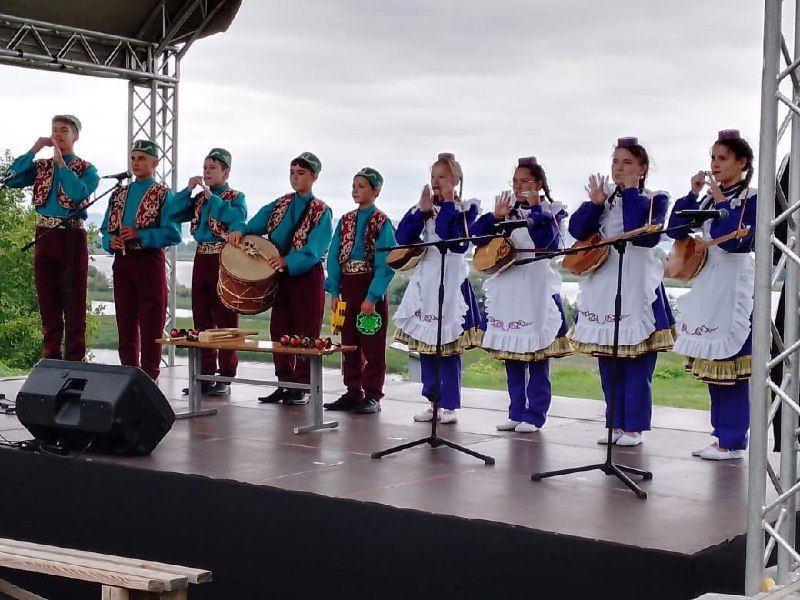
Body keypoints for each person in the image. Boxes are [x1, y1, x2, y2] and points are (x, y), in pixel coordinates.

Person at [569, 137, 674, 446]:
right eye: (615, 162)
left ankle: (634, 427)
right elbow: (577, 231)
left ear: (642, 168)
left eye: (627, 162)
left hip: (637, 283)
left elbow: (642, 236)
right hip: (604, 284)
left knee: (637, 360)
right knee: (608, 358)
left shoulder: (656, 198)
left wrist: (629, 191)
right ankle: (614, 423)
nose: (619, 168)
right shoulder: (604, 200)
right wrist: (595, 204)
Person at [667, 129, 756, 460]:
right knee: (714, 363)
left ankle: (733, 440)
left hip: (733, 283)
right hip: (708, 282)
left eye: (722, 158)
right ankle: (721, 435)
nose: (715, 165)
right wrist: (692, 195)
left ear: (741, 162)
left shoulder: (752, 198)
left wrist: (719, 199)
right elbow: (676, 230)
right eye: (712, 159)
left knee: (730, 365)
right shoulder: (705, 199)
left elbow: (736, 240)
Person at [471, 157, 571, 432]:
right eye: (515, 181)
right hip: (508, 286)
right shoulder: (507, 212)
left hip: (535, 284)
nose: (518, 187)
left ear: (538, 184)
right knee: (512, 352)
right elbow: (475, 239)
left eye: (525, 181)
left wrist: (538, 209)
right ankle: (516, 411)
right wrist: (494, 217)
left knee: (537, 354)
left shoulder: (553, 210)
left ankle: (535, 414)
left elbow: (547, 242)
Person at [225, 152, 333, 405]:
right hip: (279, 273)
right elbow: (255, 223)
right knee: (280, 327)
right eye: (292, 172)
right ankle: (284, 382)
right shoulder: (281, 204)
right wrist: (240, 230)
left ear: (314, 177)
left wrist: (288, 261)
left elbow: (315, 249)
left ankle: (303, 385)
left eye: (301, 173)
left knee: (306, 330)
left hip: (305, 274)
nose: (295, 178)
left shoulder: (321, 211)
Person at [393, 152, 481, 424]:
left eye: (442, 177)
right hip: (427, 278)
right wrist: (421, 213)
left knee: (448, 348)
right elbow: (403, 238)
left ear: (455, 179)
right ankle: (433, 403)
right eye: (433, 177)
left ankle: (451, 405)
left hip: (452, 277)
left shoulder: (467, 209)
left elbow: (455, 241)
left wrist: (448, 206)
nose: (436, 182)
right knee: (427, 346)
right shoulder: (424, 207)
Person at [5, 114, 99, 360]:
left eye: (64, 130)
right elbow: (10, 178)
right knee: (48, 301)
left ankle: (75, 361)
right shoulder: (40, 166)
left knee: (74, 301)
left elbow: (78, 193)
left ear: (75, 136)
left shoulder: (87, 169)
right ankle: (51, 359)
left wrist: (61, 165)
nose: (58, 135)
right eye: (54, 130)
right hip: (43, 234)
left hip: (71, 236)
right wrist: (34, 150)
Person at [100, 139, 181, 381]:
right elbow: (105, 230)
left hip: (148, 261)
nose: (136, 162)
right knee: (124, 320)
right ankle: (128, 373)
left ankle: (149, 375)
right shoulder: (119, 193)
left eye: (142, 158)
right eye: (133, 158)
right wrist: (110, 242)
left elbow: (174, 233)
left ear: (155, 163)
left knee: (151, 321)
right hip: (123, 262)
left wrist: (140, 235)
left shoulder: (164, 195)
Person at [169, 148, 247, 396]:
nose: (207, 172)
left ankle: (225, 375)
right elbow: (172, 212)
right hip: (201, 256)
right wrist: (187, 191)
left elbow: (237, 218)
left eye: (213, 168)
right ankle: (204, 375)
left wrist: (212, 198)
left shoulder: (235, 196)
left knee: (225, 316)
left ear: (226, 172)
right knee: (201, 315)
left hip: (224, 258)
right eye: (205, 168)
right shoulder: (199, 199)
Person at [323, 168, 396, 414]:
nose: (355, 190)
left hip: (368, 285)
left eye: (362, 186)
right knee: (349, 342)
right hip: (348, 286)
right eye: (354, 185)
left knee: (372, 342)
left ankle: (373, 394)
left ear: (376, 191)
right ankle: (353, 391)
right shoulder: (344, 221)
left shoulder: (381, 222)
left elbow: (386, 262)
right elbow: (333, 256)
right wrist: (335, 291)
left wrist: (372, 296)